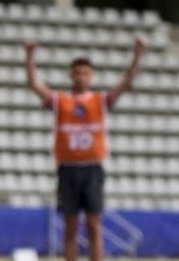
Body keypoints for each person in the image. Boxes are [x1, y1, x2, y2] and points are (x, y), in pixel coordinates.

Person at [24, 37, 147, 261]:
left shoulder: (100, 101)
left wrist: (137, 54)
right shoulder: (60, 101)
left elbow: (127, 82)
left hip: (92, 169)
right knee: (70, 226)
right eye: (77, 72)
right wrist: (30, 55)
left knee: (94, 225)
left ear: (90, 76)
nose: (81, 76)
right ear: (71, 75)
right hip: (68, 169)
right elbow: (34, 84)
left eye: (85, 73)